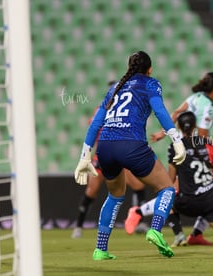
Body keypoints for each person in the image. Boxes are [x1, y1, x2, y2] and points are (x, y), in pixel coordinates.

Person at [74, 50, 186, 260]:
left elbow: (96, 122)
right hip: (131, 144)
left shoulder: (115, 87)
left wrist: (85, 156)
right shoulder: (150, 84)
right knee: (167, 188)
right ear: (149, 69)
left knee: (115, 196)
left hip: (105, 147)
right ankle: (155, 229)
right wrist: (176, 139)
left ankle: (100, 250)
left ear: (129, 67)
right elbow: (160, 111)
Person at [127, 112, 213, 246]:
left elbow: (169, 180)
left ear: (179, 127)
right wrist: (204, 179)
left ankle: (178, 235)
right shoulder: (206, 143)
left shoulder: (175, 147)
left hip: (189, 202)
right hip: (212, 199)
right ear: (195, 126)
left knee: (167, 195)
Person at [149, 72, 213, 245]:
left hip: (178, 148)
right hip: (193, 152)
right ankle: (141, 212)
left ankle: (185, 234)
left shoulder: (194, 97)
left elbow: (177, 113)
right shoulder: (207, 106)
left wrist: (163, 134)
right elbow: (200, 137)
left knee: (173, 190)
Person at [71, 82, 148, 239]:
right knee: (91, 191)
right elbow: (93, 129)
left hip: (121, 154)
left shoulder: (128, 109)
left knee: (138, 185)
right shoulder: (102, 109)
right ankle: (78, 226)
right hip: (102, 156)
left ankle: (140, 221)